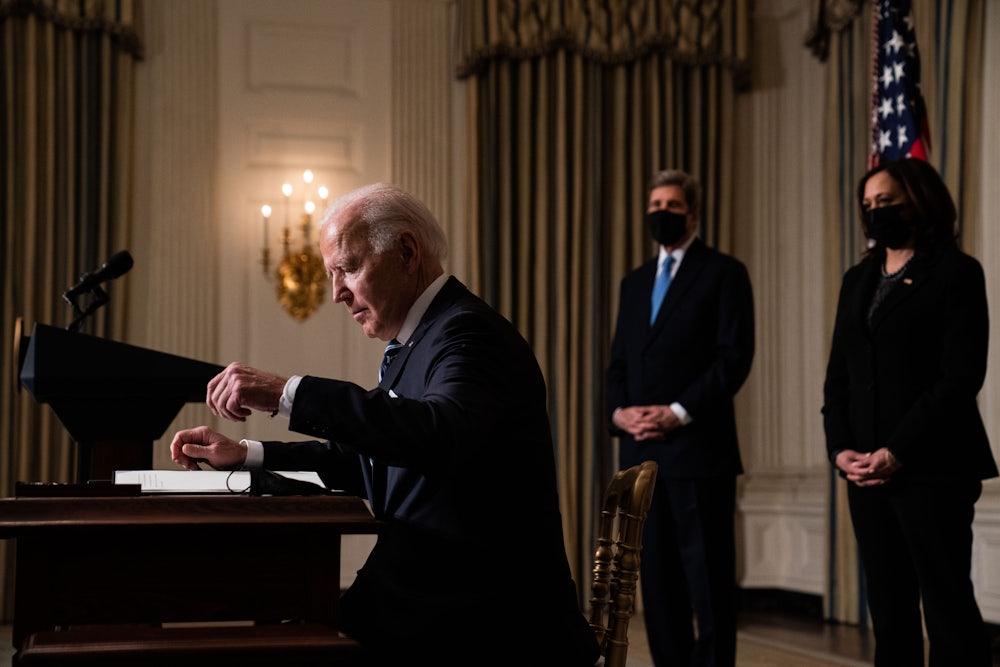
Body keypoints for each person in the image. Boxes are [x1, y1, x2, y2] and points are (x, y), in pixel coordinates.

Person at [170, 183, 600, 667]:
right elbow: (370, 459)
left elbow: (437, 433)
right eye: (332, 274)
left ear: (407, 252)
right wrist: (247, 454)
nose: (337, 294)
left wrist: (285, 392)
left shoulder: (468, 334)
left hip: (485, 617)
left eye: (347, 268)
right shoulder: (417, 342)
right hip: (426, 591)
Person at [822, 157, 997, 666]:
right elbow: (838, 380)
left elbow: (961, 376)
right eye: (869, 205)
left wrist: (898, 449)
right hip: (865, 475)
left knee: (947, 611)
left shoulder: (957, 273)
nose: (876, 212)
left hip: (932, 468)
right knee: (889, 611)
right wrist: (840, 451)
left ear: (919, 202)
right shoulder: (857, 280)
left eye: (887, 202)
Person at [605, 169, 755, 667]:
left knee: (709, 582)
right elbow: (619, 365)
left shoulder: (724, 273)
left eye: (671, 206)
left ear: (692, 213)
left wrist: (676, 413)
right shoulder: (634, 282)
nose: (660, 213)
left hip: (699, 451)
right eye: (654, 205)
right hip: (641, 454)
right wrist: (620, 414)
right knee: (660, 582)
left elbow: (732, 358)